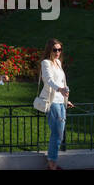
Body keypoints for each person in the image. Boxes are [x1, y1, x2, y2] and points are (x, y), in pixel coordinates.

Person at [38, 39, 72, 169]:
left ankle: (51, 161)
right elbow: (48, 80)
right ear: (49, 50)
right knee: (57, 133)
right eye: (55, 50)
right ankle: (52, 163)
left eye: (59, 50)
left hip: (61, 101)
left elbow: (63, 82)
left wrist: (66, 99)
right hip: (52, 102)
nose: (57, 52)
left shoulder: (58, 62)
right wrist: (60, 89)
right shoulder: (46, 63)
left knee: (60, 133)